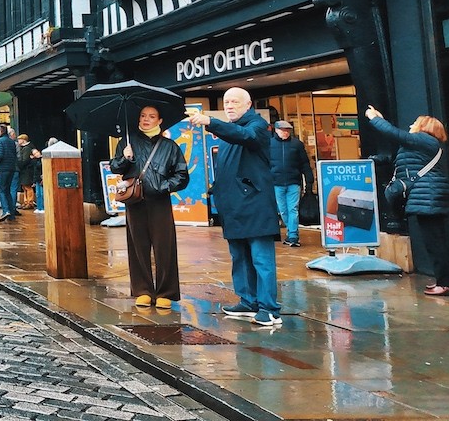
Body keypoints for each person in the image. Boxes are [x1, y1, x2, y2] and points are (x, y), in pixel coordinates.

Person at [189, 88, 282, 326]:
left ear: (248, 104)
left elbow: (246, 137)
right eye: (226, 102)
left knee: (261, 260)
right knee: (239, 257)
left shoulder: (257, 126)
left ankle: (269, 309)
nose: (229, 105)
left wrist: (211, 121)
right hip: (234, 207)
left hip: (255, 205)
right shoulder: (232, 132)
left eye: (234, 102)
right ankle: (248, 301)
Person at [365, 106, 449, 296]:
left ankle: (446, 284)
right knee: (435, 241)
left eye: (415, 122)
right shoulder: (422, 144)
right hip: (428, 196)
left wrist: (374, 118)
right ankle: (445, 281)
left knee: (435, 243)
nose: (411, 125)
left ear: (424, 127)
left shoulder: (424, 140)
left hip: (428, 197)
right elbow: (403, 159)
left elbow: (393, 133)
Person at [110, 106, 189, 309]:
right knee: (138, 245)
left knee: (165, 246)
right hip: (135, 201)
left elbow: (182, 175)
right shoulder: (128, 143)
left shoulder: (170, 146)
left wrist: (162, 187)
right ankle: (143, 290)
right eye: (143, 116)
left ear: (159, 120)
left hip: (159, 201)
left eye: (151, 116)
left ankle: (166, 291)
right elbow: (115, 168)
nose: (146, 119)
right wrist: (124, 157)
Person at [270, 120, 314, 247]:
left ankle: (293, 235)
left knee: (293, 209)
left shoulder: (297, 145)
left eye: (287, 130)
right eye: (283, 130)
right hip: (276, 183)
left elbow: (304, 163)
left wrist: (309, 179)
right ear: (276, 130)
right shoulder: (269, 144)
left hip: (294, 182)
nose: (285, 133)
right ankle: (291, 231)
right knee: (283, 210)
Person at [0, 124, 19, 222]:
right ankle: (11, 213)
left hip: (3, 168)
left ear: (0, 131)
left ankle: (6, 210)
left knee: (2, 190)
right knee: (8, 190)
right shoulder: (12, 142)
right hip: (12, 168)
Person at [15, 134, 36, 210]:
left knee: (27, 186)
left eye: (19, 140)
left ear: (23, 140)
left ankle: (30, 202)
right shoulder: (24, 148)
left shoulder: (27, 148)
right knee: (24, 187)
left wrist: (19, 165)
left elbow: (25, 160)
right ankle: (26, 201)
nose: (18, 141)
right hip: (24, 170)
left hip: (27, 170)